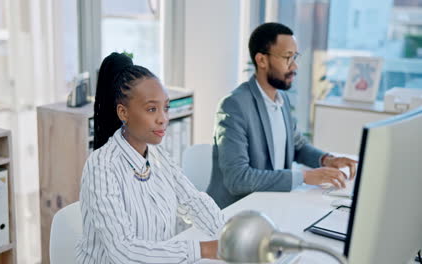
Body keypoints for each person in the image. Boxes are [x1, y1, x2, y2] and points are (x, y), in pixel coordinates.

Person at [76, 53, 224, 264]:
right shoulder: (101, 166)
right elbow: (123, 250)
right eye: (152, 109)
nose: (163, 118)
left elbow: (193, 201)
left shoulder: (157, 155)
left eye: (166, 108)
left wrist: (229, 234)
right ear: (123, 113)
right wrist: (204, 250)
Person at [207, 22, 357, 209]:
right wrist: (304, 177)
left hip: (272, 203)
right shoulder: (234, 106)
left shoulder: (282, 99)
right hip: (236, 214)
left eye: (295, 57)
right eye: (287, 57)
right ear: (262, 60)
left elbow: (297, 146)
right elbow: (238, 178)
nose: (294, 66)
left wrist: (328, 160)